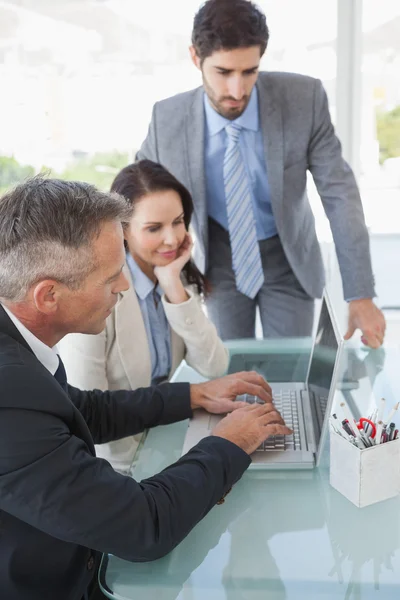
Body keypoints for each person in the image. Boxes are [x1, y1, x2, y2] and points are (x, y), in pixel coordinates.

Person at [0, 176, 292, 600]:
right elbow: (144, 528)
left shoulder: (18, 345)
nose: (124, 287)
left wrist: (194, 395)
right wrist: (229, 442)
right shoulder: (8, 398)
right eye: (112, 277)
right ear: (48, 296)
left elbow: (82, 410)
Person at [137, 0, 386, 348]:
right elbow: (134, 198)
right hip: (218, 260)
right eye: (223, 72)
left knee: (294, 366)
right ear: (196, 58)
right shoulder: (167, 120)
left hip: (288, 256)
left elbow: (340, 195)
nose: (237, 91)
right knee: (229, 370)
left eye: (249, 71)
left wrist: (360, 294)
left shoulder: (304, 99)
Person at [59, 160, 229, 473]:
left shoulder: (174, 274)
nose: (172, 239)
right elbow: (83, 413)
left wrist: (172, 286)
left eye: (178, 222)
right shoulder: (98, 295)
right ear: (122, 229)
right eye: (154, 228)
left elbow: (213, 364)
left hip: (166, 438)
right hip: (121, 461)